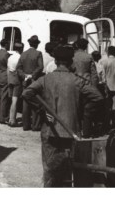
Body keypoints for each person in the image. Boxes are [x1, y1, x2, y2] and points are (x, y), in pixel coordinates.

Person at [22, 45, 104, 187]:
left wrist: (42, 110)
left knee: (50, 170)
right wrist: (83, 110)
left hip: (50, 131)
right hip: (70, 131)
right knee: (68, 170)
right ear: (71, 62)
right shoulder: (77, 80)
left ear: (55, 61)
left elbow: (26, 93)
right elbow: (98, 97)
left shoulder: (46, 79)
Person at [17, 35, 44, 131]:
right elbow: (40, 67)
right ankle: (35, 125)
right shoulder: (38, 53)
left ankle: (26, 125)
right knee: (35, 101)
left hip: (25, 80)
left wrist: (24, 76)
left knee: (25, 103)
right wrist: (32, 75)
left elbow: (18, 68)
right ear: (36, 44)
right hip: (34, 80)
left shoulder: (23, 54)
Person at [7, 41, 24, 127]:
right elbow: (20, 70)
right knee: (15, 100)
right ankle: (12, 120)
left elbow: (9, 69)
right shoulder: (20, 58)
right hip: (17, 79)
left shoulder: (10, 57)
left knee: (11, 100)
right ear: (21, 49)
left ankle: (10, 117)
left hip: (10, 78)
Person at [0, 39, 10, 124]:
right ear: (6, 44)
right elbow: (8, 65)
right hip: (4, 76)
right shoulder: (6, 54)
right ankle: (3, 117)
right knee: (4, 98)